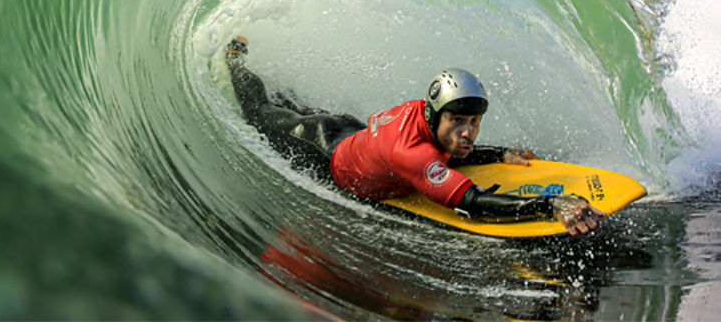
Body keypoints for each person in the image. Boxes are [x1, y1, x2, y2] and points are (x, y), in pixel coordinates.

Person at [225, 36, 604, 236]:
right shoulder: (415, 155)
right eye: (458, 121)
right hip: (323, 146)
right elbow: (473, 203)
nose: (467, 132)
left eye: (474, 122)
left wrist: (497, 153)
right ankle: (235, 62)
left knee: (293, 105)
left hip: (356, 133)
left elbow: (448, 148)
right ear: (435, 114)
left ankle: (274, 86)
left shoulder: (426, 118)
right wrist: (551, 204)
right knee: (263, 113)